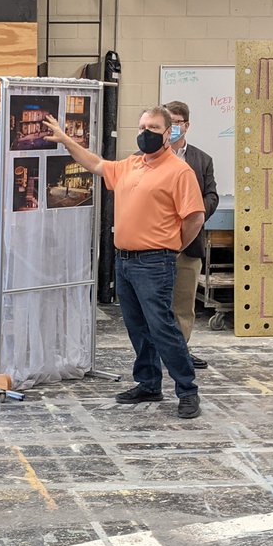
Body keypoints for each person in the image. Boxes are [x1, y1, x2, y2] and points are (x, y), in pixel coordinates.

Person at [42, 106, 205, 418]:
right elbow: (97, 164)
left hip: (155, 262)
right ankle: (148, 383)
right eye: (142, 127)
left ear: (168, 133)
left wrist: (172, 247)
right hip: (125, 262)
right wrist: (66, 140)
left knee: (162, 328)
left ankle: (187, 390)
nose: (146, 133)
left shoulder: (179, 171)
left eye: (153, 128)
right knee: (137, 328)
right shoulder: (131, 165)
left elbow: (195, 218)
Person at [162, 101, 219, 369]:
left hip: (189, 243)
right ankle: (155, 353)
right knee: (154, 304)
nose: (174, 127)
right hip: (156, 243)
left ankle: (180, 353)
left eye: (178, 121)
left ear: (187, 125)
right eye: (168, 121)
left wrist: (194, 215)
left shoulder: (202, 159)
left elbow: (211, 196)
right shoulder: (144, 156)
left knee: (184, 303)